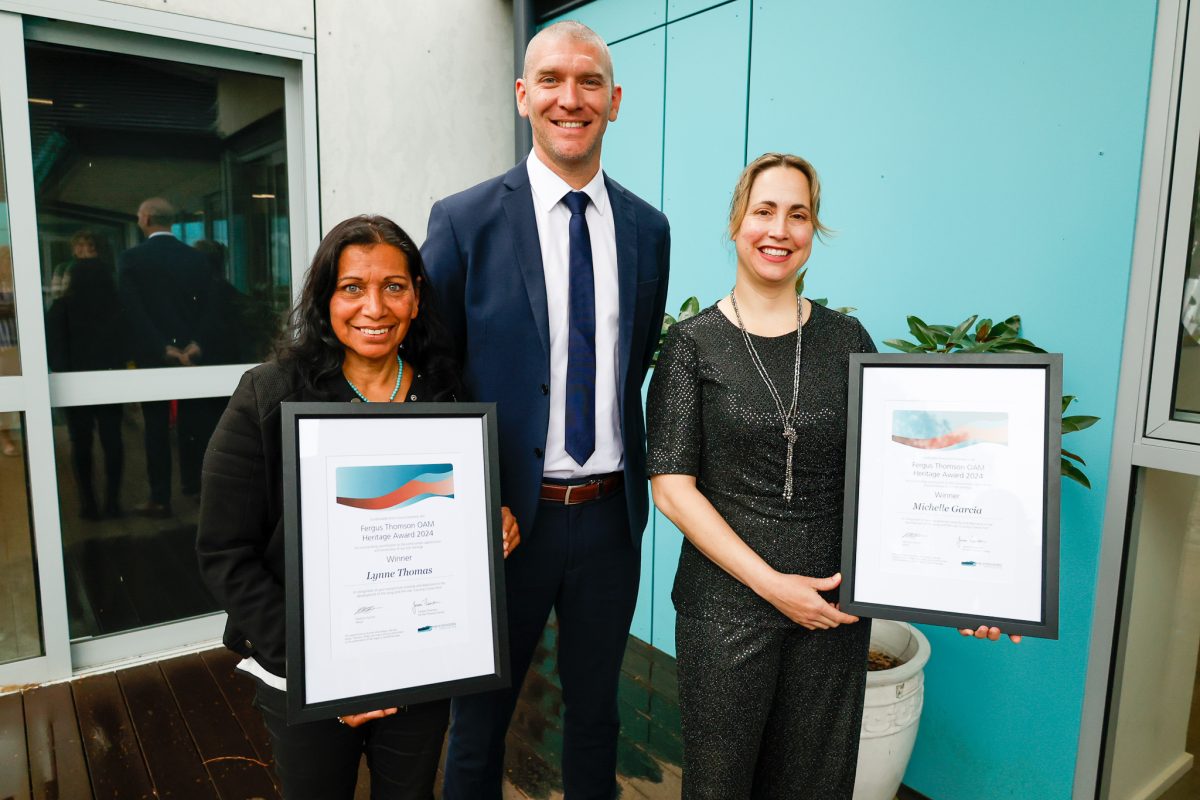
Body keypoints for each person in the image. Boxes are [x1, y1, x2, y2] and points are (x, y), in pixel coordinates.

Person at [647, 153, 1016, 800]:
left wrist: (969, 587)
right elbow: (672, 488)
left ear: (814, 231)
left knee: (815, 784)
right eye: (764, 211)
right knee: (721, 787)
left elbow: (902, 468)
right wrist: (773, 586)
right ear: (736, 222)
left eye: (799, 214)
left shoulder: (847, 339)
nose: (779, 229)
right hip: (726, 610)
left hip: (836, 610)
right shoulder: (692, 343)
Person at [422, 20, 671, 799]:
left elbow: (632, 367)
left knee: (598, 715)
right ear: (523, 96)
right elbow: (434, 373)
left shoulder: (649, 231)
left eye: (590, 81)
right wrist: (471, 499)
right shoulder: (463, 221)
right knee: (479, 722)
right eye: (553, 81)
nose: (572, 98)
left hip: (606, 518)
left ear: (615, 101)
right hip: (503, 522)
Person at [196, 215, 520, 800]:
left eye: (394, 286)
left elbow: (455, 509)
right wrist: (326, 675)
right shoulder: (269, 396)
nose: (375, 306)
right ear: (325, 299)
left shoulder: (446, 392)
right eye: (353, 288)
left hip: (419, 663)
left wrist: (491, 521)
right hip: (303, 668)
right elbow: (225, 553)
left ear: (417, 299)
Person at [117, 197, 215, 515]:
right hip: (192, 355)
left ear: (145, 219)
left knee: (156, 428)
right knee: (193, 425)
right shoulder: (196, 259)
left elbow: (133, 312)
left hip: (153, 356)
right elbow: (208, 307)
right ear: (171, 221)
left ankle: (160, 498)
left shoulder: (132, 259)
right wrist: (195, 343)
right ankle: (196, 488)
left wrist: (162, 347)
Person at [45, 246, 127, 518]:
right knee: (112, 441)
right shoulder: (116, 305)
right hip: (109, 380)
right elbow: (126, 345)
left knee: (80, 444)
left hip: (74, 384)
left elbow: (53, 349)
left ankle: (88, 503)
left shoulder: (61, 308)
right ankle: (113, 502)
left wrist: (64, 372)